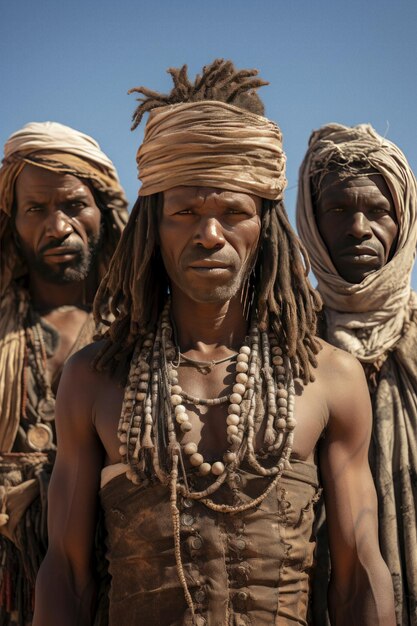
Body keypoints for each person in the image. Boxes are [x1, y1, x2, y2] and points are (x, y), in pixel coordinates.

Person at [34, 61, 395, 626]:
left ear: (265, 226)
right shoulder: (94, 378)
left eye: (233, 212)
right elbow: (66, 574)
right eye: (185, 212)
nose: (209, 234)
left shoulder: (330, 377)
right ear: (154, 224)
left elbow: (357, 575)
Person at [0, 121, 128, 624]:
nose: (57, 227)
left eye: (74, 205)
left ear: (104, 211)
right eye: (36, 209)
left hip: (120, 578)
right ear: (12, 220)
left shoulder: (139, 331)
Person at [296, 122, 417, 626]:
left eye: (379, 211)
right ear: (311, 221)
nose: (359, 229)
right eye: (339, 210)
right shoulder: (288, 338)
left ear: (404, 221)